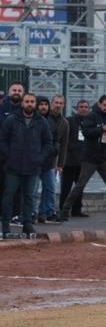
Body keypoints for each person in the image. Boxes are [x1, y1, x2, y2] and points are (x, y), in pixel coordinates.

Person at [58, 95, 106, 222]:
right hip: (89, 158)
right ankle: (64, 210)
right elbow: (87, 132)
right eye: (104, 105)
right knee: (80, 185)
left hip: (102, 158)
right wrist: (102, 129)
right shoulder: (92, 116)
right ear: (99, 104)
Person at [0, 93, 53, 236]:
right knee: (8, 196)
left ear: (35, 104)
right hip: (13, 167)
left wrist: (40, 158)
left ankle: (28, 225)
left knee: (29, 197)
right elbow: (3, 140)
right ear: (22, 103)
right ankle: (5, 226)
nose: (29, 104)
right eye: (27, 101)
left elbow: (48, 143)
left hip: (32, 167)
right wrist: (8, 156)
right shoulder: (11, 120)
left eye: (32, 101)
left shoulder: (42, 122)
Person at [36, 95, 69, 223]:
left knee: (50, 188)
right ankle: (32, 212)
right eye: (56, 102)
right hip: (36, 159)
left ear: (63, 105)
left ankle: (47, 212)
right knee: (33, 188)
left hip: (51, 161)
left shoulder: (64, 123)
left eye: (61, 103)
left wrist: (60, 165)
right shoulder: (43, 118)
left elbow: (64, 145)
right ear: (52, 103)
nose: (58, 105)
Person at [60, 100, 90, 217]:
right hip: (69, 160)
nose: (83, 109)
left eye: (86, 107)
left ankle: (77, 210)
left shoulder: (89, 122)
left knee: (80, 187)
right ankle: (63, 209)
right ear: (77, 108)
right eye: (81, 106)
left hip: (83, 161)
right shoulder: (70, 121)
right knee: (66, 187)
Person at [0, 82, 24, 220]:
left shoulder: (26, 110)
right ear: (9, 92)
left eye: (19, 90)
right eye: (14, 90)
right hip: (3, 154)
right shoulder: (1, 108)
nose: (16, 92)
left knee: (18, 186)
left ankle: (15, 214)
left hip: (20, 155)